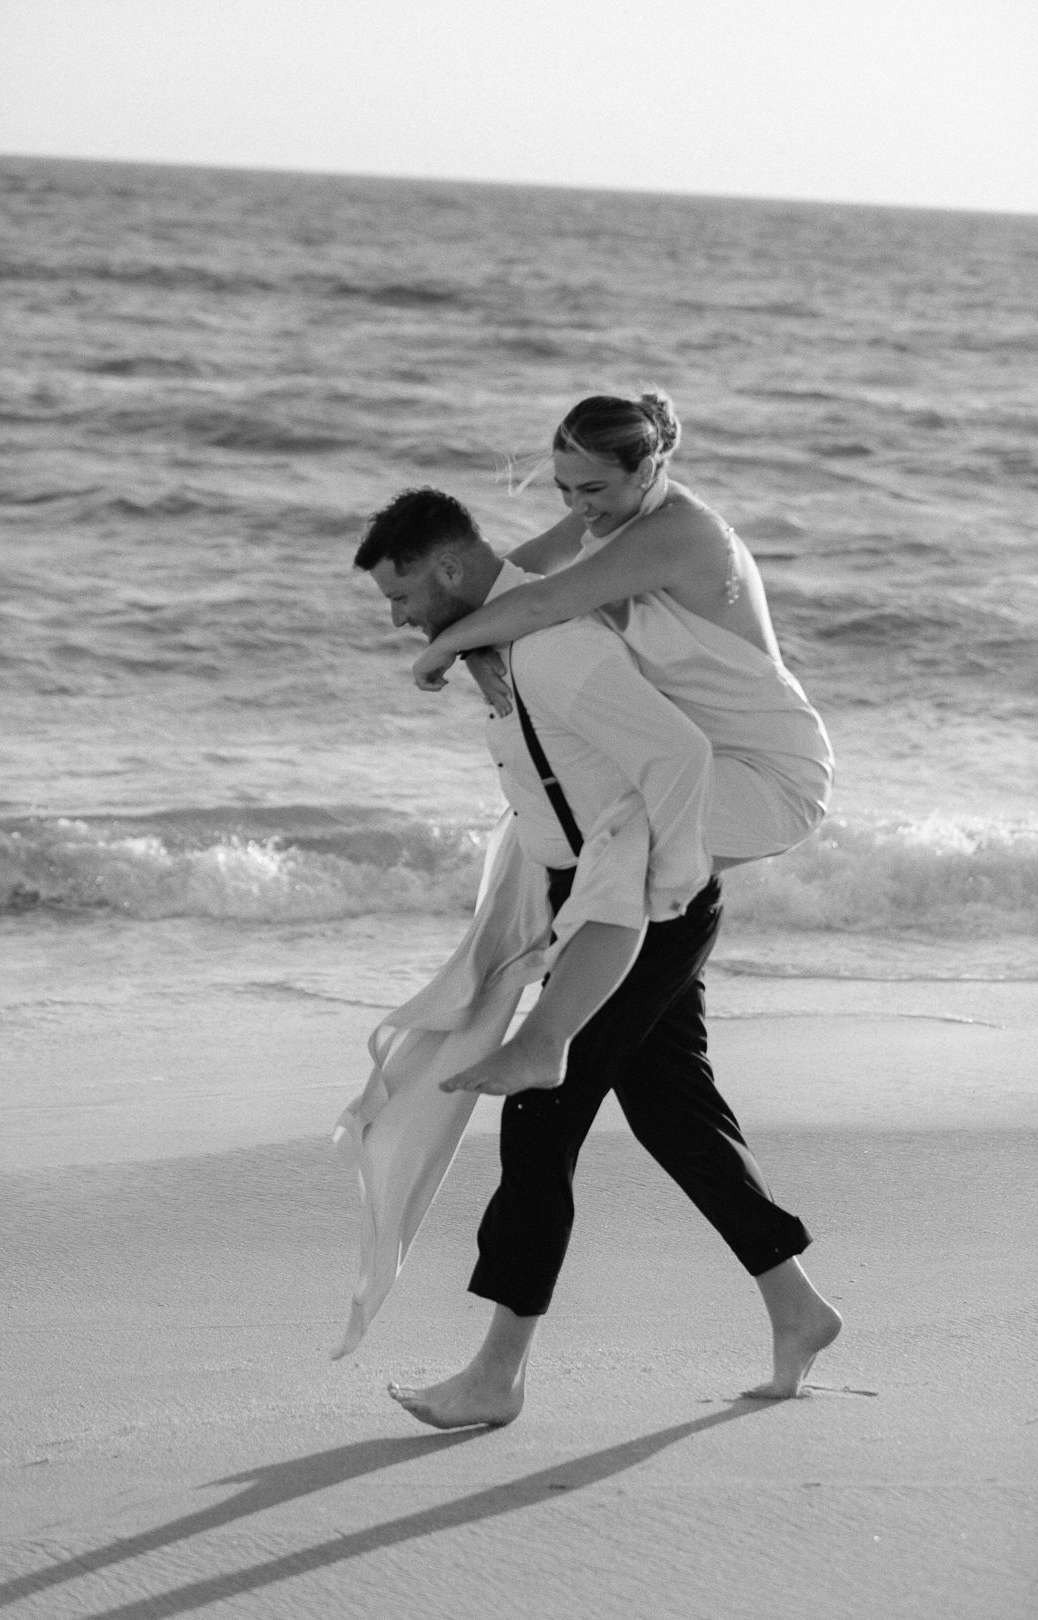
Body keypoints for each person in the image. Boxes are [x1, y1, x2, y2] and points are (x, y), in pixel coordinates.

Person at [352, 486, 841, 1430]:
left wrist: (640, 899)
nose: (402, 619)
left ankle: (498, 1375)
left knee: (542, 1115)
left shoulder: (554, 651)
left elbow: (678, 761)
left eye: (401, 596)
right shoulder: (511, 639)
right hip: (622, 901)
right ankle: (798, 1307)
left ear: (448, 568)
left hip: (645, 903)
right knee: (672, 1110)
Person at [410, 390, 833, 879]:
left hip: (770, 774)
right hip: (708, 759)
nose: (578, 507)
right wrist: (474, 643)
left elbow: (543, 601)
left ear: (648, 471)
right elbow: (509, 579)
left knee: (600, 845)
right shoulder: (611, 512)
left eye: (591, 489)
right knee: (551, 827)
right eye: (564, 490)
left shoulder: (677, 531)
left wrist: (445, 646)